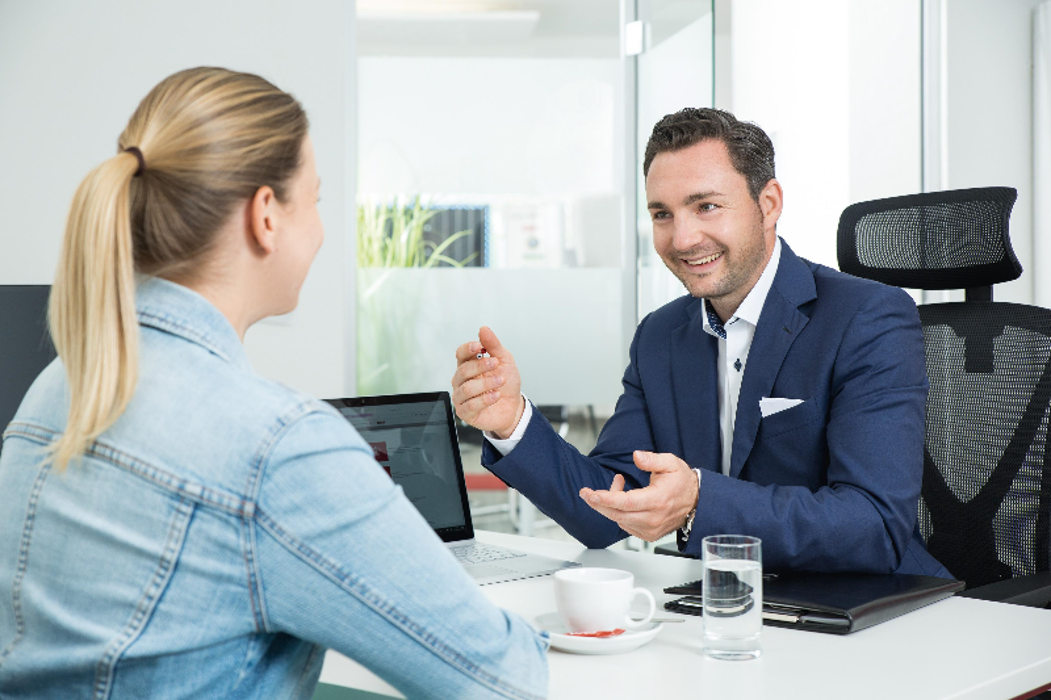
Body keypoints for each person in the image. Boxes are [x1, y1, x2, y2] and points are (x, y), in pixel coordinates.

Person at [0, 67, 548, 699]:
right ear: (266, 215)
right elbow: (505, 681)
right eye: (314, 200)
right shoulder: (276, 448)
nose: (318, 228)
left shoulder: (57, 387)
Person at [452, 107, 950, 578]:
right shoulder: (661, 336)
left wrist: (697, 501)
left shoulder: (866, 317)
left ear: (768, 204)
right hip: (720, 608)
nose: (683, 238)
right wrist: (512, 421)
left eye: (706, 206)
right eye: (662, 214)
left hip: (867, 612)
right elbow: (606, 511)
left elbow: (875, 524)